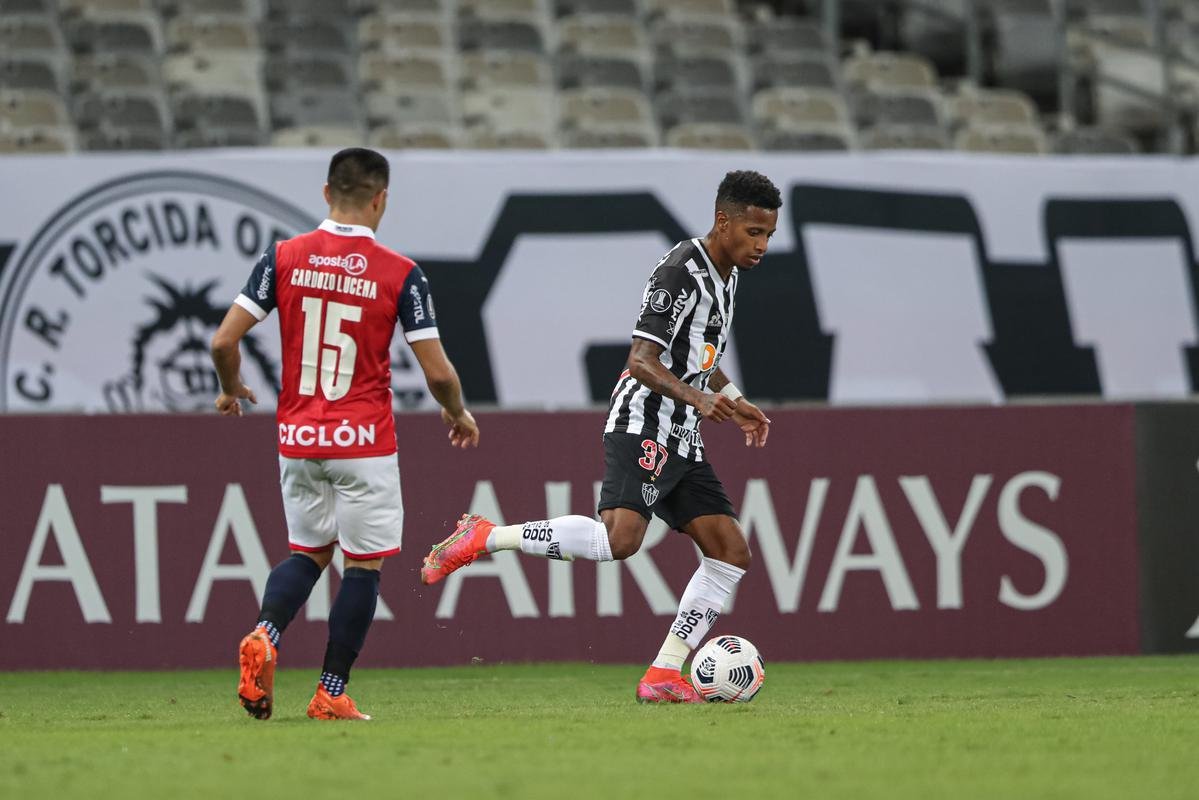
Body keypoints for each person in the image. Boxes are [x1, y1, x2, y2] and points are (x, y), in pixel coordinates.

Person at [420, 170, 779, 703]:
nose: (762, 246)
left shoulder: (728, 276)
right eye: (753, 232)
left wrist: (734, 396)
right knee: (620, 540)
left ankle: (663, 673)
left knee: (729, 553)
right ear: (722, 221)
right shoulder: (681, 272)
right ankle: (485, 535)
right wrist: (701, 399)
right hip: (643, 421)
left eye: (768, 235)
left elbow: (703, 355)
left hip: (682, 432)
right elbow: (641, 361)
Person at [210, 148, 479, 721]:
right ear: (381, 199)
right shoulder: (401, 272)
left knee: (307, 553)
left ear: (326, 192)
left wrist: (231, 388)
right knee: (362, 567)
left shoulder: (281, 257)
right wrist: (457, 412)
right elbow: (437, 372)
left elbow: (222, 342)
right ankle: (330, 691)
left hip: (298, 441)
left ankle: (265, 632)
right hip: (364, 444)